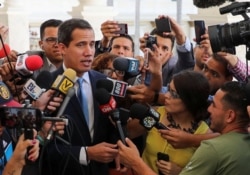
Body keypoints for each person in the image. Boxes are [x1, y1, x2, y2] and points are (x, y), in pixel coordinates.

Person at [41, 18, 118, 175]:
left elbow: (111, 127)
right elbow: (42, 147)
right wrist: (86, 153)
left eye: (91, 44)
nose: (89, 52)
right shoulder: (47, 85)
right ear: (62, 48)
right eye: (81, 45)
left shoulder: (104, 83)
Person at [126, 70, 212, 174]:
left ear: (191, 100)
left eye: (174, 94)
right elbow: (128, 134)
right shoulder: (157, 113)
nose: (166, 95)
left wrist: (180, 172)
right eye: (168, 89)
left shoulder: (204, 134)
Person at [180, 81, 250, 175]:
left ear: (230, 116)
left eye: (214, 105)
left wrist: (151, 170)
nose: (209, 109)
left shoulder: (212, 149)